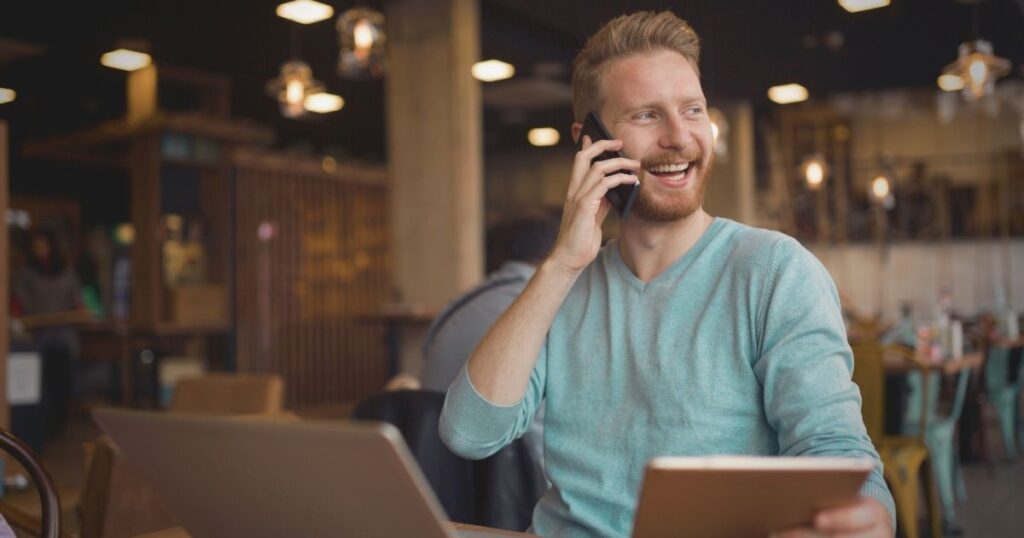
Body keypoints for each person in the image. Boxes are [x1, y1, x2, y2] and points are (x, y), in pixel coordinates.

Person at [440, 11, 895, 538]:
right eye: (647, 116)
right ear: (589, 142)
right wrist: (561, 263)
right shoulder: (565, 286)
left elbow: (835, 450)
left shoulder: (775, 271)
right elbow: (469, 434)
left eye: (693, 110)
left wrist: (868, 517)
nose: (680, 137)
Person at [11, 227, 84, 438]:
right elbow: (18, 304)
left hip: (63, 339)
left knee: (63, 387)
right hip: (37, 340)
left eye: (43, 245)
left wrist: (78, 312)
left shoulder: (66, 272)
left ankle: (58, 429)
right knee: (40, 390)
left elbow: (77, 303)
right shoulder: (25, 273)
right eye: (36, 246)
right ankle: (40, 431)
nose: (40, 250)